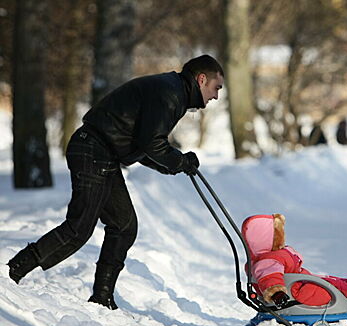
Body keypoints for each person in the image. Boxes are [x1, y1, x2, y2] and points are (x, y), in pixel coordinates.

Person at [7, 54, 225, 310]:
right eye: (216, 87)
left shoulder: (172, 90)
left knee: (123, 226)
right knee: (79, 228)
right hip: (93, 149)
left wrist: (172, 166)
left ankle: (102, 298)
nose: (216, 96)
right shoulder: (170, 93)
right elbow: (152, 143)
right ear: (201, 79)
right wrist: (178, 161)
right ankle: (13, 270)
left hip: (102, 153)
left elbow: (143, 141)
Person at [241, 214, 347, 307]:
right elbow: (269, 277)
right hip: (296, 293)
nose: (282, 238)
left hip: (300, 283)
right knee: (330, 290)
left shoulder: (271, 255)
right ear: (265, 239)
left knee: (329, 280)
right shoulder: (267, 260)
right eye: (278, 235)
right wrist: (277, 293)